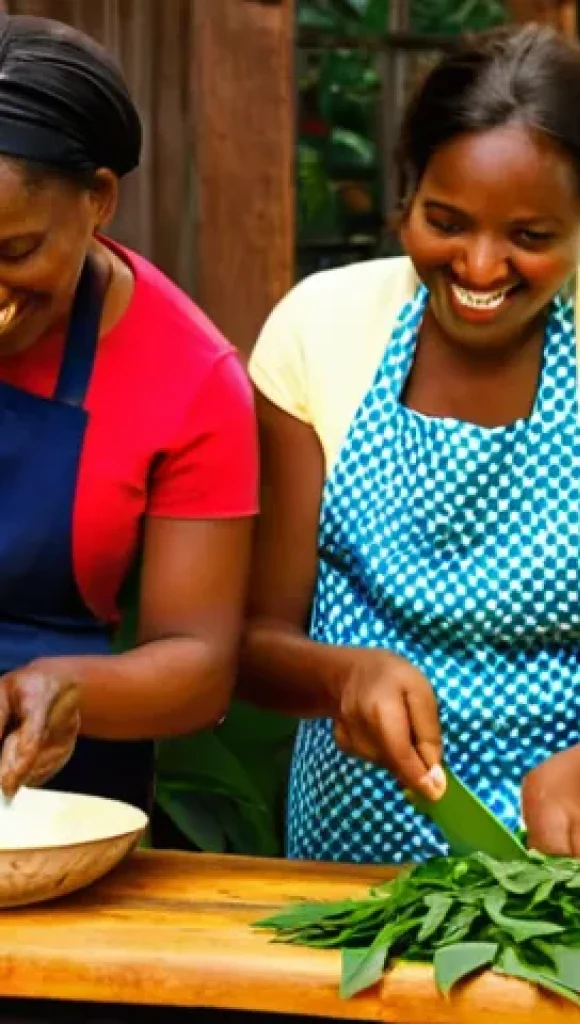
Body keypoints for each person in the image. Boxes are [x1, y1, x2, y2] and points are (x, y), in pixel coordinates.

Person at [241, 25, 580, 871]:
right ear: (407, 197)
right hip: (360, 852)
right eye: (446, 221)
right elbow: (252, 640)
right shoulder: (319, 332)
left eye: (531, 236)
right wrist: (345, 677)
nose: (479, 265)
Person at [0, 15, 258, 810]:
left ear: (100, 198)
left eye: (16, 254)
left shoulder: (190, 378)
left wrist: (57, 687)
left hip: (54, 790)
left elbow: (198, 669)